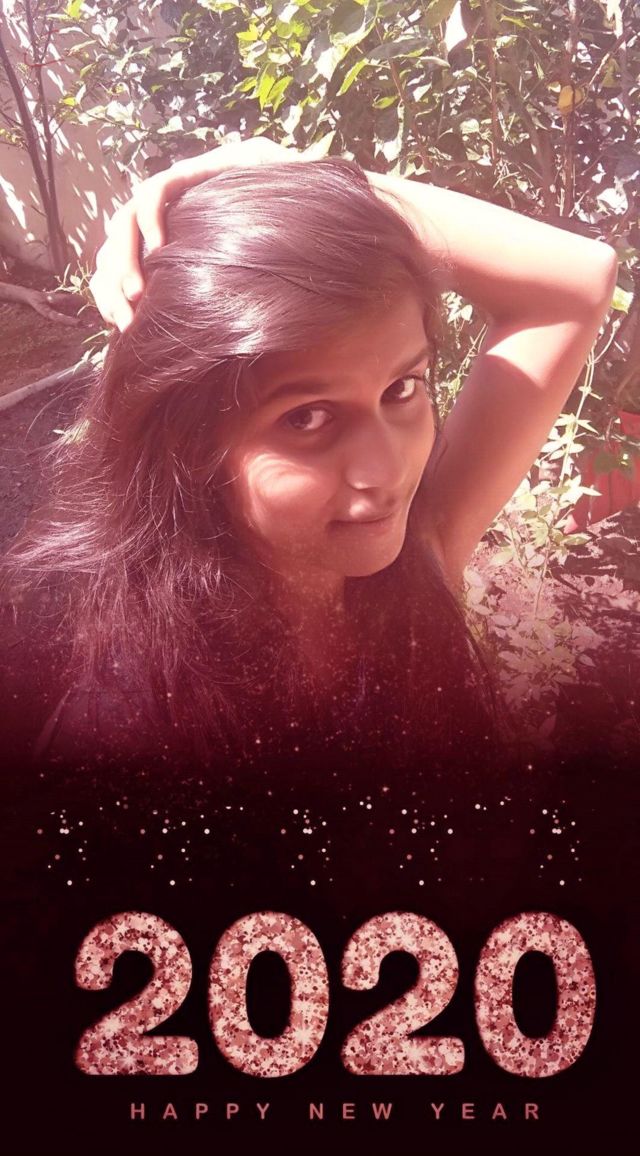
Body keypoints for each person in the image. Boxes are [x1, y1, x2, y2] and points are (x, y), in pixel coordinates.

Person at [1, 137, 617, 777]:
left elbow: (576, 280)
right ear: (190, 445)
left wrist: (305, 175)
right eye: (307, 417)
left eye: (402, 389)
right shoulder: (135, 724)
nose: (386, 474)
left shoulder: (412, 568)